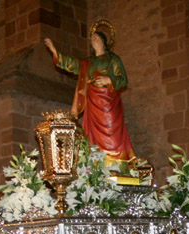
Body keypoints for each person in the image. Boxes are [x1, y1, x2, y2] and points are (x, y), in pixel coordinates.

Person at [43, 29, 135, 163]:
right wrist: (54, 50)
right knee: (93, 134)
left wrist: (108, 80)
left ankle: (117, 162)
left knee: (112, 132)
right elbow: (71, 64)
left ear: (104, 42)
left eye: (96, 38)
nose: (93, 40)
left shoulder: (113, 59)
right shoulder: (88, 62)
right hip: (93, 102)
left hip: (109, 103)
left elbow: (123, 80)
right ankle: (96, 163)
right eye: (91, 38)